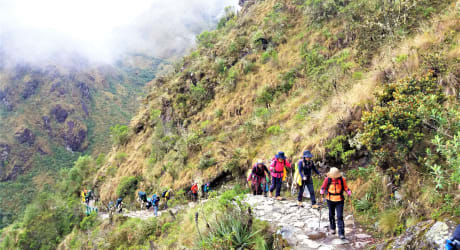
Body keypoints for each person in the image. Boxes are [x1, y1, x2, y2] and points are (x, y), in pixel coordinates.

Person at [320, 167, 351, 240]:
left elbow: (346, 188)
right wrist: (322, 191)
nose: (334, 177)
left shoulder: (342, 179)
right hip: (330, 199)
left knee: (340, 216)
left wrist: (348, 191)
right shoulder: (327, 179)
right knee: (331, 214)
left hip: (339, 200)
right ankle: (333, 228)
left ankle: (341, 233)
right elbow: (323, 187)